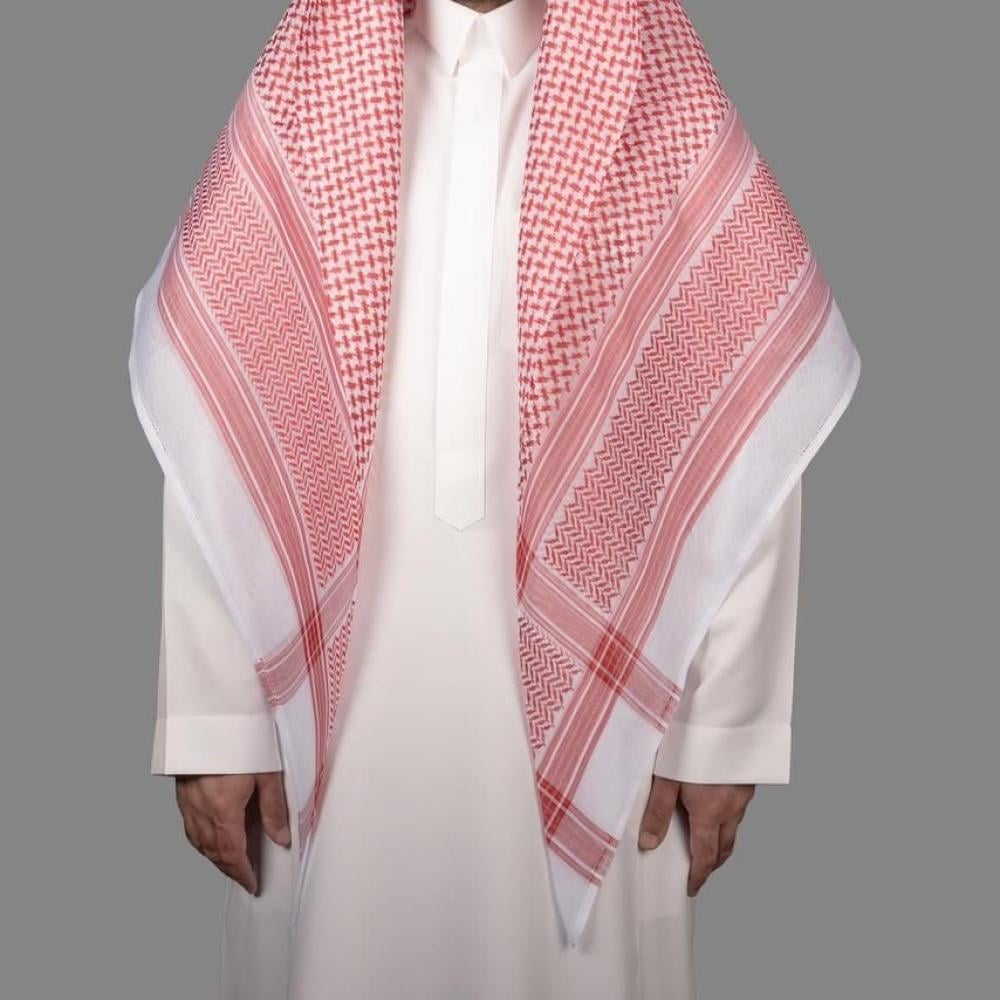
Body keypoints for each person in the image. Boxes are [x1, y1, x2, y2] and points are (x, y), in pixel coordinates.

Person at [129, 1, 860, 997]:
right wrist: (217, 718)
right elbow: (216, 416)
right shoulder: (312, 107)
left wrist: (725, 728)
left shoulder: (657, 112)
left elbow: (746, 422)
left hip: (603, 727)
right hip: (332, 719)